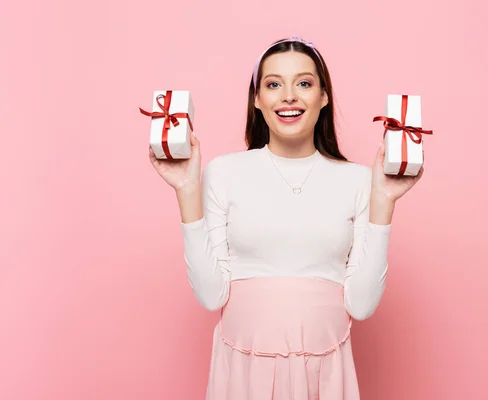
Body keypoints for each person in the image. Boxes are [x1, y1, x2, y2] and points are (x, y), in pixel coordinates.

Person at [149, 37, 424, 399]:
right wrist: (186, 189)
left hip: (324, 377)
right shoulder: (224, 172)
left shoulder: (360, 180)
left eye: (304, 83)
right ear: (257, 99)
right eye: (273, 84)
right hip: (243, 375)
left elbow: (362, 304)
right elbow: (211, 295)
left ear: (324, 97)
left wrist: (384, 200)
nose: (288, 96)